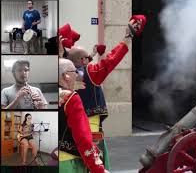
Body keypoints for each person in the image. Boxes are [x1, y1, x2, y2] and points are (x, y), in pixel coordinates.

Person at [62, 15, 146, 169]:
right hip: (91, 129)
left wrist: (91, 54)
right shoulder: (90, 72)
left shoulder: (62, 73)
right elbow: (111, 60)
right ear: (83, 61)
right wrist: (128, 37)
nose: (91, 60)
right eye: (88, 58)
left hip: (68, 131)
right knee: (95, 164)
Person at [58, 58, 109, 173]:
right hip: (68, 163)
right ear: (66, 75)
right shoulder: (71, 98)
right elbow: (83, 139)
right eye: (74, 72)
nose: (77, 75)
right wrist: (98, 169)